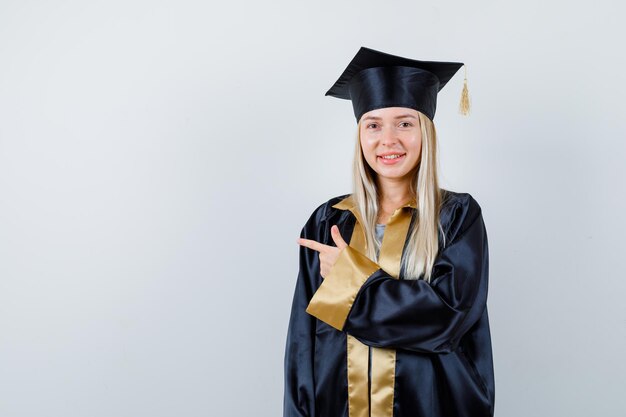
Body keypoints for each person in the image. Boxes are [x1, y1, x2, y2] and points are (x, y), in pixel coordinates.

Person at [283, 46, 495, 417]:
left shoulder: (457, 217)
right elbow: (304, 345)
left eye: (405, 123)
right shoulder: (329, 222)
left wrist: (350, 281)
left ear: (425, 131)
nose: (389, 140)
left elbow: (445, 321)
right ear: (360, 134)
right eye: (374, 124)